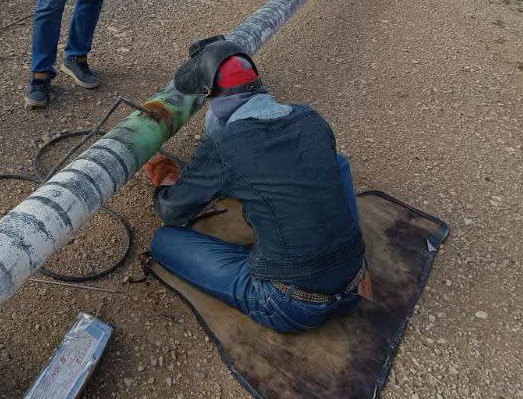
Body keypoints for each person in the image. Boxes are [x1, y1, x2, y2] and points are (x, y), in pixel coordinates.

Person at [145, 38, 369, 334]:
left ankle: (273, 282)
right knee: (336, 163)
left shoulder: (226, 144)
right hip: (357, 279)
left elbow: (172, 212)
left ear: (215, 100)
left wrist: (168, 181)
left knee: (164, 241)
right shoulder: (310, 118)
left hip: (290, 304)